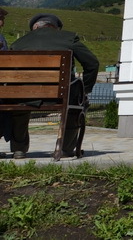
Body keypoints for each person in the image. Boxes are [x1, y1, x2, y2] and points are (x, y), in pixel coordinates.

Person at [10, 13, 99, 159]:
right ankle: (66, 148)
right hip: (59, 96)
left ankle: (19, 149)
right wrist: (86, 90)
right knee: (75, 104)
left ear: (35, 27)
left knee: (18, 102)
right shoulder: (69, 38)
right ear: (55, 28)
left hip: (26, 96)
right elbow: (92, 64)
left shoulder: (18, 43)